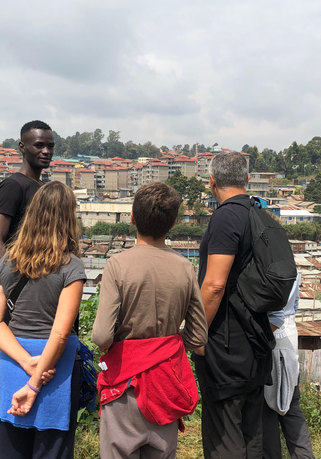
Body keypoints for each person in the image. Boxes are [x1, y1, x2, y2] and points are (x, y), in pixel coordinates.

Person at [92, 182, 208, 459]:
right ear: (174, 223)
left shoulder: (118, 265)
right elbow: (198, 337)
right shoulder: (185, 268)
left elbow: (101, 337)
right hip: (166, 384)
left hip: (124, 382)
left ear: (132, 217)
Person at [0, 181, 86, 459]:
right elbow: (61, 333)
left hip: (14, 362)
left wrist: (25, 361)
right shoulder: (71, 267)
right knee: (53, 451)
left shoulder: (6, 262)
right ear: (69, 219)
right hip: (56, 369)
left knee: (10, 448)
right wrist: (35, 380)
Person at [193, 151, 276, 458]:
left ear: (212, 181)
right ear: (247, 180)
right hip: (257, 342)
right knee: (251, 434)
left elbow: (214, 285)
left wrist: (197, 336)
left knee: (223, 436)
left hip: (227, 348)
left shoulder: (226, 217)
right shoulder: (260, 215)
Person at [0, 120, 54, 265]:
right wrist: (12, 280)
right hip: (21, 279)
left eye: (50, 146)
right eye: (39, 145)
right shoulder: (13, 186)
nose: (46, 151)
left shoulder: (42, 188)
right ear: (22, 147)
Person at [263, 272, 315, 459]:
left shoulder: (264, 264)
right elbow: (294, 305)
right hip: (290, 336)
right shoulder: (291, 267)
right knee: (291, 405)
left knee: (267, 407)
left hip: (272, 336)